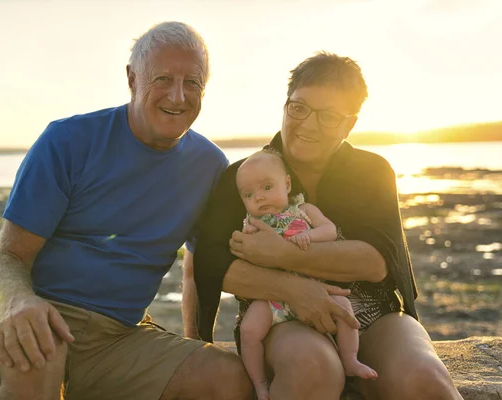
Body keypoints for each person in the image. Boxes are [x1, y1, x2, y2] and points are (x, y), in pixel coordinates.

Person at [0, 21, 254, 400]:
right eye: (162, 79)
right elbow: (7, 257)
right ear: (132, 78)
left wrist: (195, 344)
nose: (178, 97)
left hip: (116, 338)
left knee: (228, 378)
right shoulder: (67, 141)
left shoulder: (209, 164)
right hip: (23, 312)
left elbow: (197, 264)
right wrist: (18, 301)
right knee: (41, 352)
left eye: (192, 83)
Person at [192, 52, 463, 399]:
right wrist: (292, 290)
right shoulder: (246, 177)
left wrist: (281, 254)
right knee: (313, 369)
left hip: (372, 315)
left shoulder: (373, 171)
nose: (307, 124)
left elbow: (377, 261)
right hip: (281, 320)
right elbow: (213, 264)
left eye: (329, 116)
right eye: (299, 108)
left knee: (423, 379)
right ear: (285, 104)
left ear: (349, 125)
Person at [235, 149, 377, 400]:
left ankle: (349, 359)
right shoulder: (252, 223)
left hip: (314, 287)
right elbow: (246, 255)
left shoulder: (304, 210)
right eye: (249, 194)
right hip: (273, 297)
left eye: (267, 187)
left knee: (344, 307)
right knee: (249, 331)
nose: (259, 197)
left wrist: (308, 236)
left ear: (287, 184)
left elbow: (330, 230)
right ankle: (259, 383)